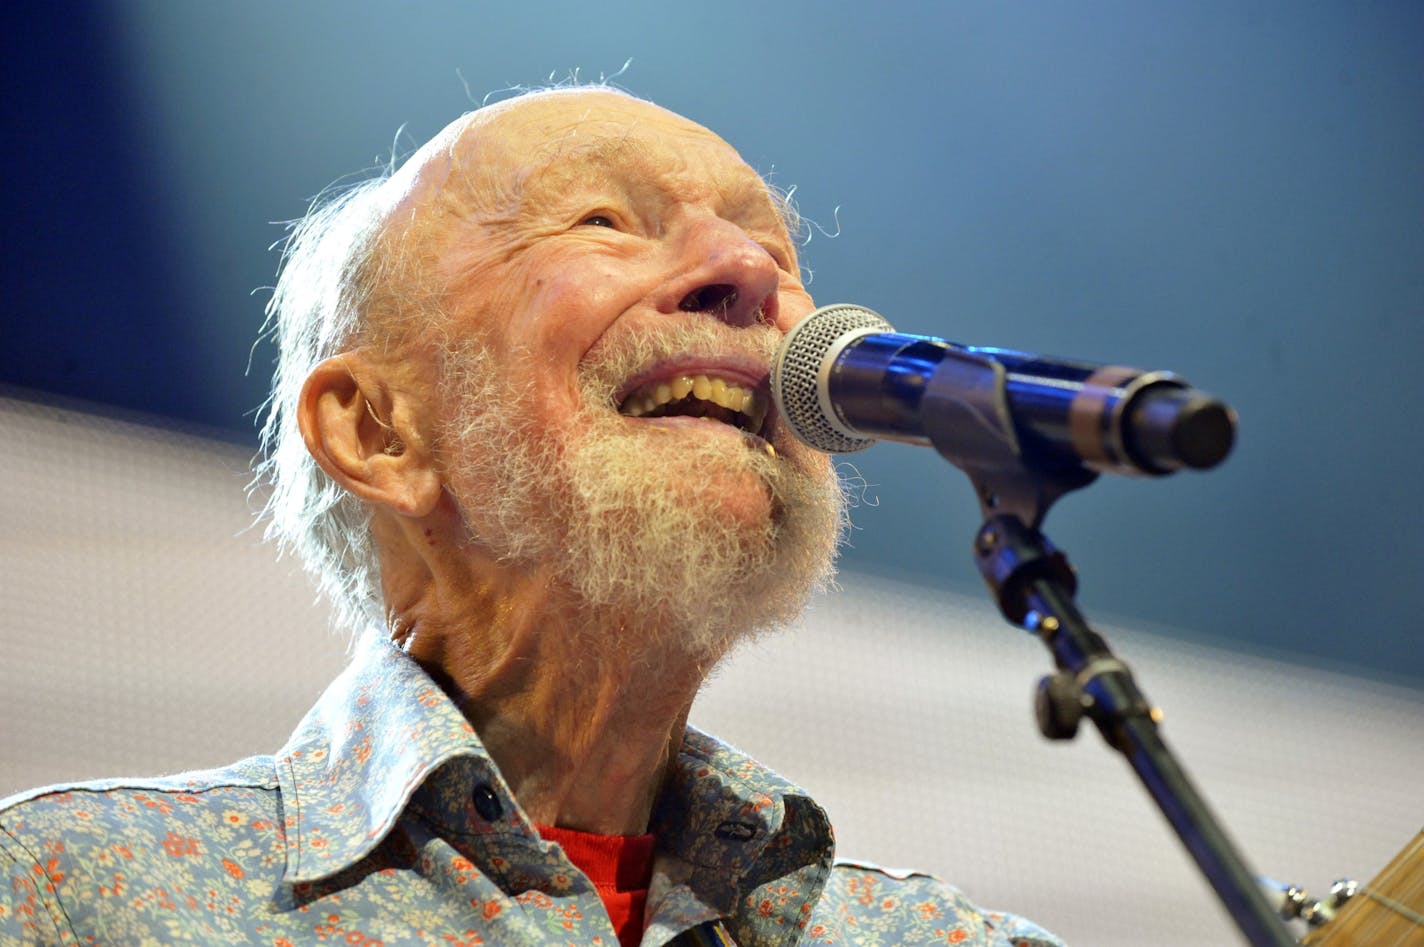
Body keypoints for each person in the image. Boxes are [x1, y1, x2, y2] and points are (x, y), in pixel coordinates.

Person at [0, 86, 1062, 946]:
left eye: (773, 254)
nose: (748, 275)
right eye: (602, 220)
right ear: (377, 431)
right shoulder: (75, 900)